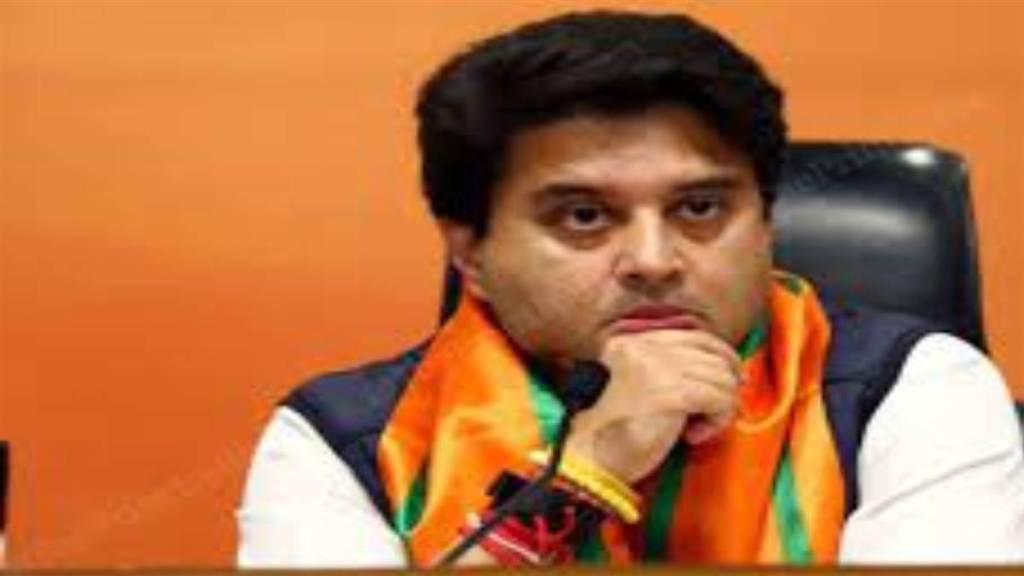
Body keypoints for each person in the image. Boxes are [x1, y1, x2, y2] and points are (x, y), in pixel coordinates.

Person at [236, 10, 1024, 567]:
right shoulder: (343, 442)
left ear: (766, 222)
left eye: (700, 208)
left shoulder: (911, 390)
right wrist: (588, 467)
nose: (653, 260)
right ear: (470, 253)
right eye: (584, 216)